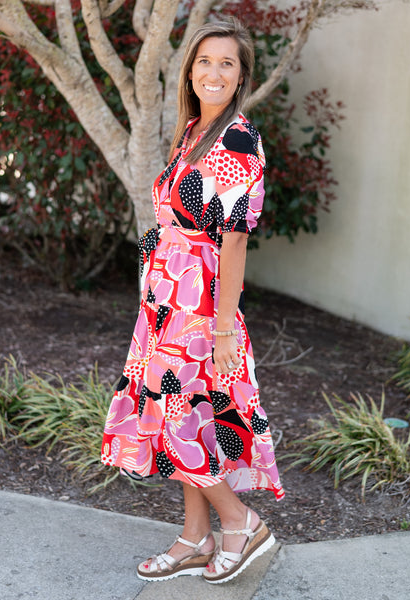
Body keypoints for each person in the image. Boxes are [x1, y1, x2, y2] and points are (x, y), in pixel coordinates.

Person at [101, 17, 285, 584]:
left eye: (226, 63)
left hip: (199, 309)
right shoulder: (193, 132)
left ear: (240, 77)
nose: (213, 71)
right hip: (165, 302)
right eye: (204, 61)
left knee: (176, 415)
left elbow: (232, 241)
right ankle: (196, 536)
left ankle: (241, 522)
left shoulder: (236, 136)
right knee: (190, 418)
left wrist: (225, 329)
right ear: (191, 70)